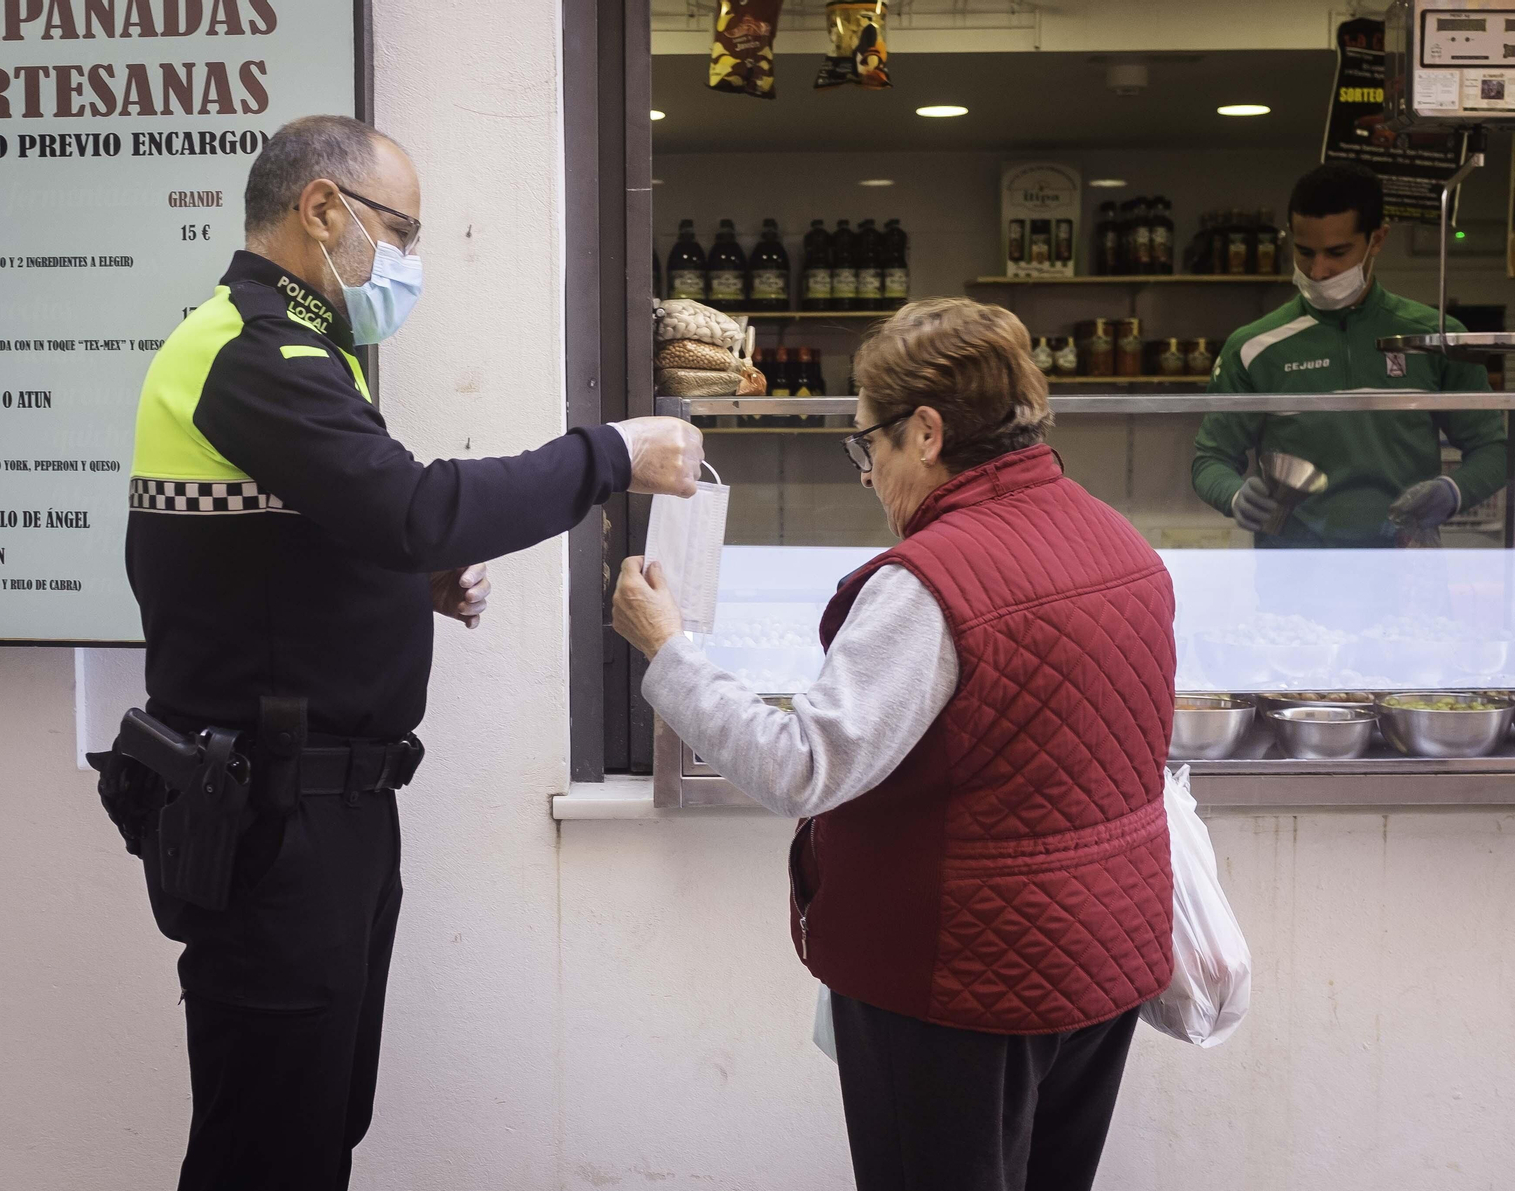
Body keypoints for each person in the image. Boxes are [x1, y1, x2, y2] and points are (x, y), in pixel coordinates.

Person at [113, 115, 701, 1190]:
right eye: (404, 230)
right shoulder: (253, 352)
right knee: (266, 1149)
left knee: (314, 1127)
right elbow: (414, 508)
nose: (412, 261)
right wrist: (608, 453)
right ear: (322, 209)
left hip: (318, 809)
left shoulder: (297, 347)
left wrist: (396, 583)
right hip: (272, 818)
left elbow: (281, 545)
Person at [613, 298, 1177, 1191]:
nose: (868, 476)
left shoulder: (931, 584)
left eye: (868, 443)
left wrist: (669, 651)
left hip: (967, 982)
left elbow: (803, 766)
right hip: (1101, 961)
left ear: (925, 431)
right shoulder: (1121, 543)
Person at [1192, 161, 1506, 548]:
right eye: (1304, 252)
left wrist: (1453, 490)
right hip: (1294, 578)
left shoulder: (1435, 338)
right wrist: (1235, 495)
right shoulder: (1253, 348)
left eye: (1337, 253)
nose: (1318, 270)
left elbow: (1495, 449)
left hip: (1407, 570)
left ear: (1377, 239)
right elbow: (1210, 459)